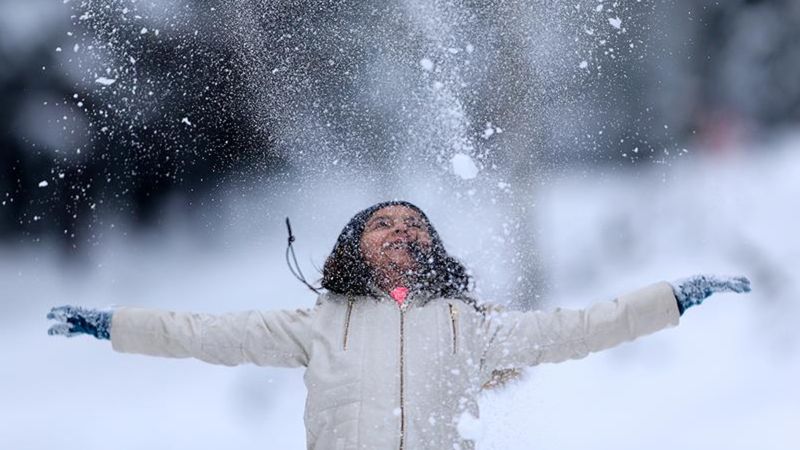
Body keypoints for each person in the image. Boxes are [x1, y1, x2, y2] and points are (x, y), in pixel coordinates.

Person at [47, 200, 751, 450]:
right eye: (382, 223)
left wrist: (673, 299)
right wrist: (113, 324)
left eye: (415, 225)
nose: (400, 231)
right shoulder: (318, 323)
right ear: (354, 246)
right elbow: (202, 332)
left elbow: (580, 327)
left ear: (432, 248)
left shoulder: (469, 327)